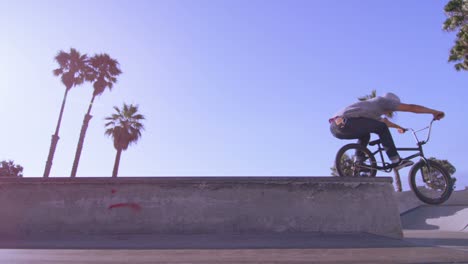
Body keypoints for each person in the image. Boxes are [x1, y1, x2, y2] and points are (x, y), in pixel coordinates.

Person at [329, 92, 445, 170]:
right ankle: (396, 160)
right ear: (392, 103)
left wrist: (398, 127)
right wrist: (434, 112)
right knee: (381, 128)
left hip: (336, 128)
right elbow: (412, 107)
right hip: (347, 121)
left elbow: (385, 122)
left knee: (366, 134)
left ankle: (358, 160)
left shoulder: (371, 110)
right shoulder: (383, 101)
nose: (391, 112)